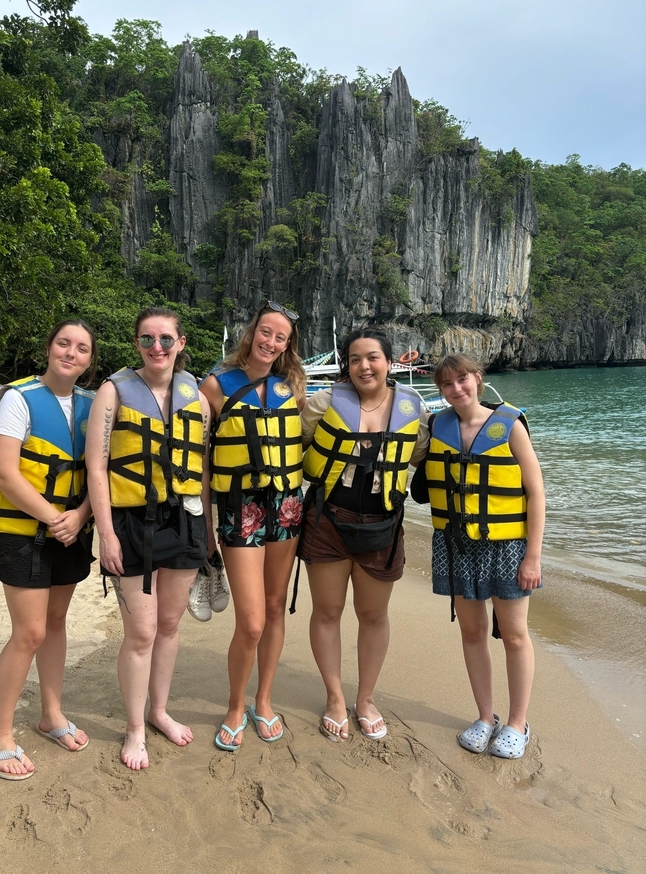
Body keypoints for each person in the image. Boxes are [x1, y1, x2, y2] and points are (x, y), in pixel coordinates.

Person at [86, 307, 211, 770]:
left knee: (170, 626)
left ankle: (159, 711)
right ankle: (134, 727)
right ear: (136, 344)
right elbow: (96, 467)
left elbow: (201, 468)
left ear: (181, 343)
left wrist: (208, 533)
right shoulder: (112, 392)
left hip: (184, 520)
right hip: (129, 522)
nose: (156, 348)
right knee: (141, 631)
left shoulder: (195, 397)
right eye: (146, 339)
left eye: (165, 339)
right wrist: (106, 535)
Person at [0, 320, 98, 779]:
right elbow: (6, 473)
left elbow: (99, 472)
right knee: (28, 632)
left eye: (81, 348)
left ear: (90, 360)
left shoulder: (92, 404)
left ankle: (51, 714)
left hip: (73, 528)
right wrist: (55, 518)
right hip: (24, 532)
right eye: (63, 343)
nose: (71, 353)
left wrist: (81, 515)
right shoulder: (18, 399)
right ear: (48, 348)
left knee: (56, 623)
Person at [300, 327, 429, 741]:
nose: (364, 366)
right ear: (346, 366)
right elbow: (290, 442)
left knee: (373, 615)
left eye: (372, 357)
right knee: (327, 611)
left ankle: (366, 698)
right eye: (355, 359)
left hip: (382, 525)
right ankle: (335, 697)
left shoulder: (413, 407)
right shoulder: (323, 403)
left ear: (389, 363)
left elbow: (427, 455)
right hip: (328, 522)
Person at [424, 353, 544, 759]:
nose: (457, 389)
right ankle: (485, 716)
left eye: (463, 380)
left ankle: (517, 723)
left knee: (513, 634)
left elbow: (536, 493)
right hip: (456, 542)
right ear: (440, 390)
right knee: (472, 631)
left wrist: (533, 555)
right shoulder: (436, 426)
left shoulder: (510, 425)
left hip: (507, 544)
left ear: (478, 378)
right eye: (447, 384)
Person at [200, 301, 306, 751]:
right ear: (252, 332)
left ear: (287, 346)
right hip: (239, 504)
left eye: (280, 338)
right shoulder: (216, 385)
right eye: (266, 332)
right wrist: (205, 525)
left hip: (286, 504)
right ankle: (233, 705)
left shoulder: (291, 387)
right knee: (251, 621)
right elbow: (202, 462)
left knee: (276, 604)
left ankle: (263, 701)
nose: (270, 342)